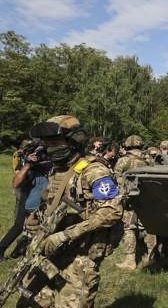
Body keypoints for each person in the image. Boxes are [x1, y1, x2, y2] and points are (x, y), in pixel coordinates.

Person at [16, 115, 123, 307]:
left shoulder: (94, 171)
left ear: (75, 141)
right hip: (48, 253)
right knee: (28, 302)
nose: (51, 148)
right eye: (48, 144)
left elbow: (111, 211)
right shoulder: (57, 170)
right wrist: (34, 222)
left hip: (79, 257)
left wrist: (65, 236)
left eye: (56, 142)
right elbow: (50, 202)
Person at [0, 140, 51, 261]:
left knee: (43, 228)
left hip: (46, 200)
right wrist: (28, 164)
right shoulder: (25, 162)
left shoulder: (51, 162)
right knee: (19, 227)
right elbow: (16, 182)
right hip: (27, 198)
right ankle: (1, 249)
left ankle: (24, 251)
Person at [114, 135, 157, 270]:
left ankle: (130, 261)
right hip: (146, 198)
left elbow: (116, 179)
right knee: (149, 227)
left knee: (129, 228)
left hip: (129, 200)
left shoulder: (123, 160)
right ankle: (152, 256)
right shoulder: (148, 159)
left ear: (127, 145)